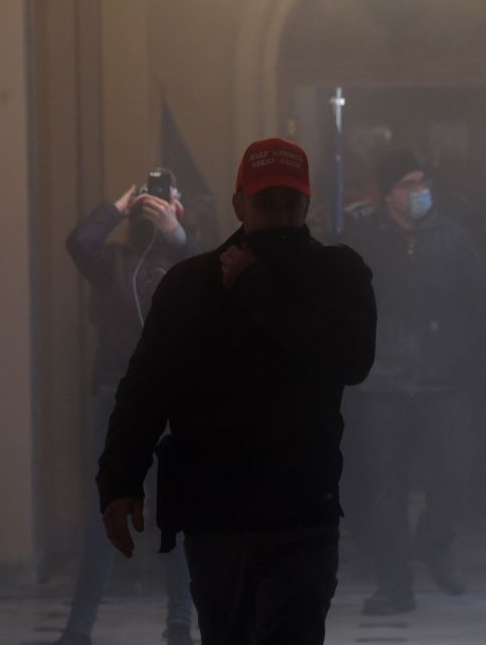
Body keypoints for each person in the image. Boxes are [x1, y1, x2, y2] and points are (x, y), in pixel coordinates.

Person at [96, 137, 377, 645]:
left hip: (300, 508)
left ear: (306, 205)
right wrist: (119, 479)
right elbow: (147, 387)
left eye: (288, 204)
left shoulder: (337, 273)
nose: (278, 216)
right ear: (239, 205)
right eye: (266, 204)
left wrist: (258, 293)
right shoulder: (192, 284)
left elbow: (350, 362)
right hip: (219, 509)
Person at [344, 149, 486, 616]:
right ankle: (395, 585)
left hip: (444, 380)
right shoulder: (365, 240)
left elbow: (479, 303)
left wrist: (477, 365)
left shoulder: (452, 238)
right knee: (385, 491)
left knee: (455, 473)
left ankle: (435, 539)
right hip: (383, 384)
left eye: (422, 181)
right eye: (408, 183)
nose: (418, 191)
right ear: (388, 193)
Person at [60, 172, 195, 645]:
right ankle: (79, 629)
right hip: (117, 397)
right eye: (153, 201)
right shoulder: (112, 263)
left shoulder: (185, 262)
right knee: (107, 514)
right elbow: (79, 241)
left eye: (169, 199)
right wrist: (119, 205)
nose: (160, 206)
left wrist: (179, 235)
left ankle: (180, 623)